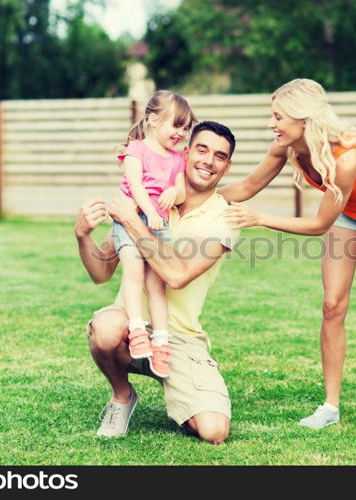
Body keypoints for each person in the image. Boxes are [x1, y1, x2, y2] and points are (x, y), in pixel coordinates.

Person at [220, 79, 356, 448]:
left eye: (278, 116)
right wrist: (190, 200)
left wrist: (259, 219)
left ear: (303, 118)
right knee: (332, 306)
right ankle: (330, 406)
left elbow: (318, 224)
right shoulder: (286, 147)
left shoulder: (347, 157)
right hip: (346, 213)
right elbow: (244, 187)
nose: (272, 124)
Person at [75, 121, 239, 444]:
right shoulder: (147, 194)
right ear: (186, 152)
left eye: (220, 156)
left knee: (214, 431)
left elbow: (176, 276)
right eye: (202, 150)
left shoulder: (223, 219)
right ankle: (122, 395)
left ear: (227, 166)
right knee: (105, 326)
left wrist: (134, 222)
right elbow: (101, 272)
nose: (208, 161)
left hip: (180, 338)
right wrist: (82, 235)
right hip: (130, 329)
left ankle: (180, 384)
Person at [112, 90, 196, 379]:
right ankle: (137, 328)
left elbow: (182, 189)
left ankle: (161, 341)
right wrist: (151, 214)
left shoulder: (176, 159)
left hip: (159, 223)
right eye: (177, 126)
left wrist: (175, 192)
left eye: (186, 128)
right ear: (152, 119)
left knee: (157, 285)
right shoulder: (137, 149)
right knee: (134, 272)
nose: (181, 133)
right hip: (133, 219)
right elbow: (135, 186)